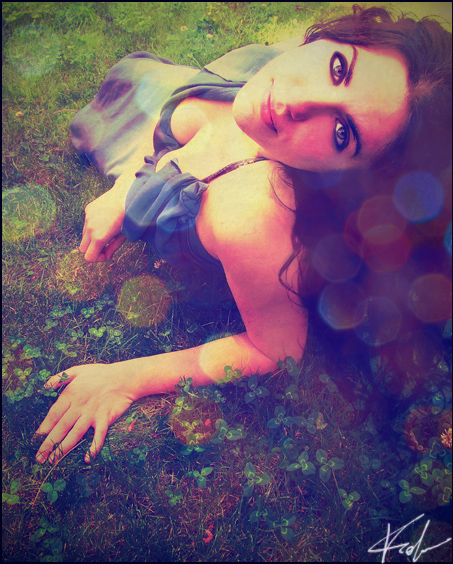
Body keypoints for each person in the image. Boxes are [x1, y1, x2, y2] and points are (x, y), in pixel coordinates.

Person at [34, 5, 452, 464]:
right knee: (135, 81)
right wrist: (122, 192)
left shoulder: (252, 214)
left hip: (210, 176)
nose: (298, 102)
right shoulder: (268, 85)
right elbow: (177, 131)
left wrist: (127, 378)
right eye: (338, 68)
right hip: (172, 114)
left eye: (340, 132)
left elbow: (275, 350)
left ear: (349, 177)